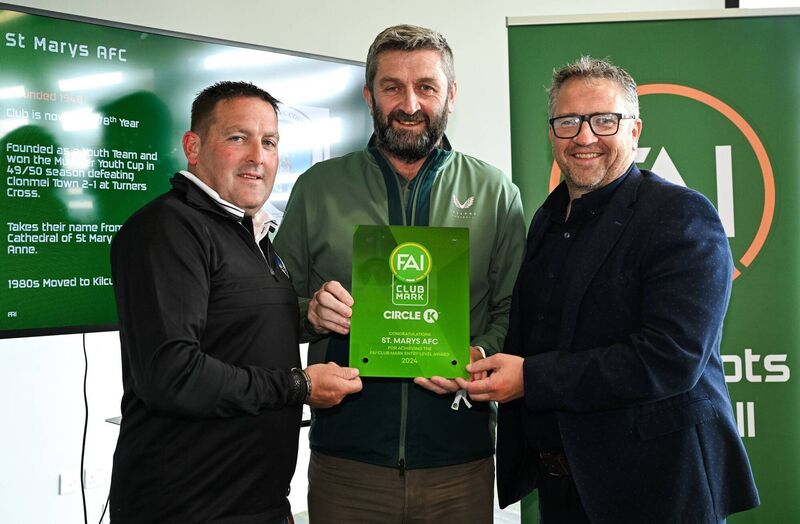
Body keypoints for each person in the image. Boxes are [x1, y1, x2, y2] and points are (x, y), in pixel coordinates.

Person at [456, 56, 760, 523]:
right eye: (568, 121)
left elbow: (670, 357)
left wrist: (530, 379)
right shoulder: (548, 218)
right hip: (564, 489)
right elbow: (541, 333)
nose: (584, 136)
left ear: (634, 131)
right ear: (552, 131)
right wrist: (485, 363)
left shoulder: (680, 215)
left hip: (657, 490)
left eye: (604, 120)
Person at [273, 24, 526, 523]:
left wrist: (476, 355)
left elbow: (515, 311)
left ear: (450, 95)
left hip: (460, 461)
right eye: (392, 87)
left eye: (426, 87)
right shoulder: (319, 188)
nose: (409, 103)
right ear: (370, 94)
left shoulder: (496, 192)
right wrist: (312, 312)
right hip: (348, 462)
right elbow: (273, 309)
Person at [109, 81, 363, 524]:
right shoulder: (168, 229)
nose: (257, 156)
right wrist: (299, 386)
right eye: (237, 138)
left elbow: (241, 329)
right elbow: (173, 375)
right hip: (186, 508)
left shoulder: (253, 233)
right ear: (193, 147)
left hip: (257, 501)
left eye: (269, 142)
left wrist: (310, 316)